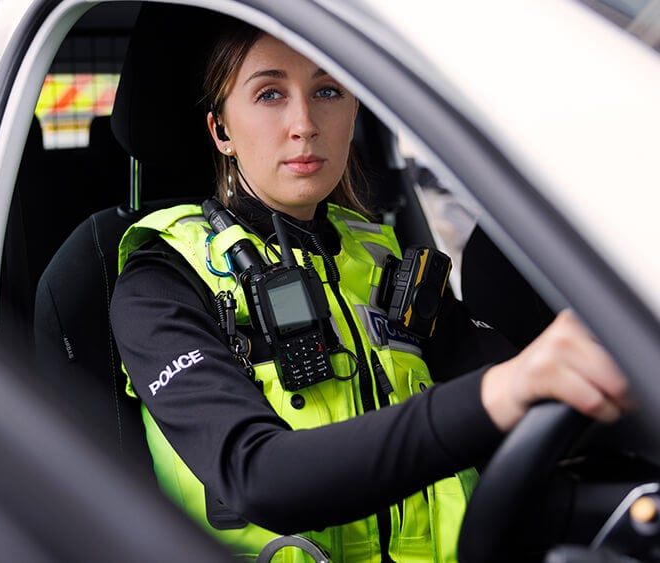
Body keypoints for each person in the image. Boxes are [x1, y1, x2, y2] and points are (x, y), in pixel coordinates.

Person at [109, 19, 629, 563]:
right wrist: (504, 390)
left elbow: (526, 390)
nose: (305, 123)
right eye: (269, 94)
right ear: (222, 131)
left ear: (354, 109)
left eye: (328, 90)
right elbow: (259, 477)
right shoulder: (163, 278)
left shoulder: (383, 260)